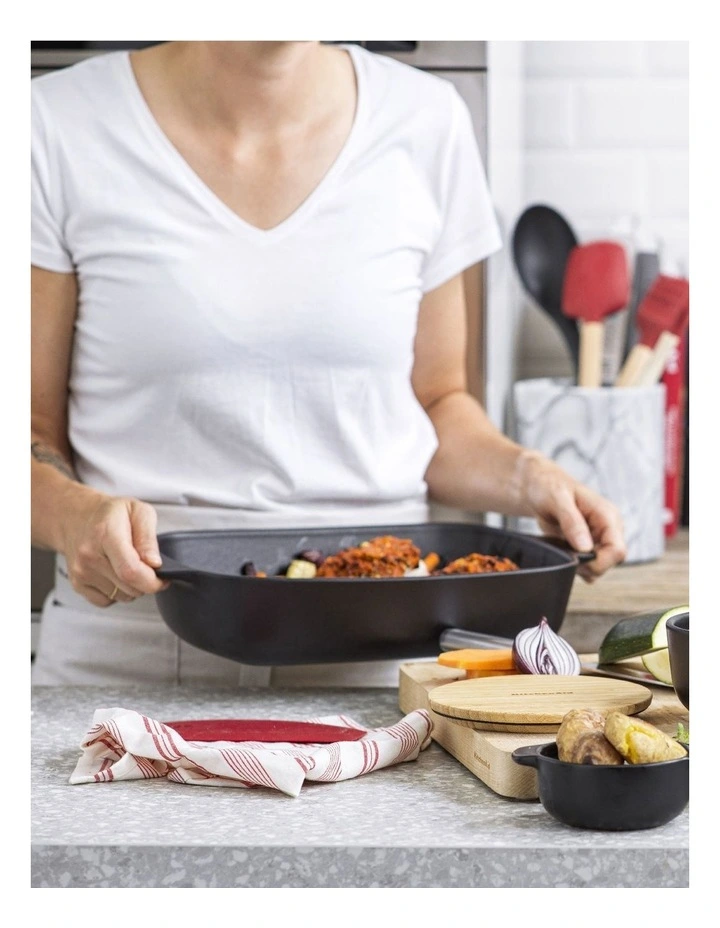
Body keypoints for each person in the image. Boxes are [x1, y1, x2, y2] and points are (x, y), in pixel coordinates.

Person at [31, 41, 626, 686]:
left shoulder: (428, 120)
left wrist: (530, 477)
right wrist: (74, 518)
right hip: (133, 656)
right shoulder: (54, 124)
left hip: (380, 659)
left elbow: (437, 407)